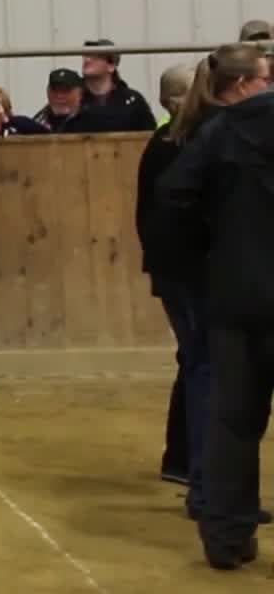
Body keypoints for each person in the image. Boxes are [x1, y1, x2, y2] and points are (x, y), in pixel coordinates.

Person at [155, 43, 274, 570]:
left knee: (233, 421)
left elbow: (173, 196)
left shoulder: (217, 133)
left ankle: (227, 535)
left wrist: (213, 250)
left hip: (237, 295)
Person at [145, 61, 199, 483]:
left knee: (196, 360)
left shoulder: (167, 141)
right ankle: (191, 462)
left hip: (174, 269)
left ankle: (182, 460)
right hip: (187, 270)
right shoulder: (178, 144)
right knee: (203, 362)